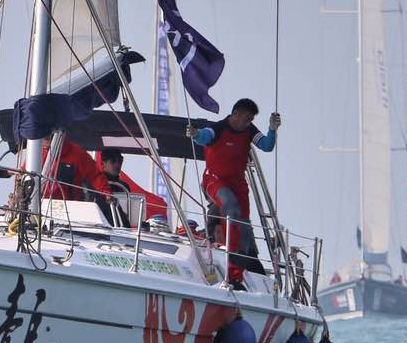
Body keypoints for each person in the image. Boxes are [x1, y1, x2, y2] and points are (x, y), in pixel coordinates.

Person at [188, 98, 279, 289]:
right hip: (214, 180)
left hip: (238, 184)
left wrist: (272, 129)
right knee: (230, 205)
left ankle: (237, 275)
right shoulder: (219, 128)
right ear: (235, 114)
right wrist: (195, 134)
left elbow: (267, 146)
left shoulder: (249, 130)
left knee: (244, 231)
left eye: (251, 120)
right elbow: (205, 136)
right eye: (246, 119)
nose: (248, 123)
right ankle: (229, 260)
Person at [97, 150, 168, 221]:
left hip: (119, 224)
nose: (117, 165)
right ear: (103, 163)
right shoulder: (95, 184)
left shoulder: (124, 186)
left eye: (120, 161)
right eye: (113, 161)